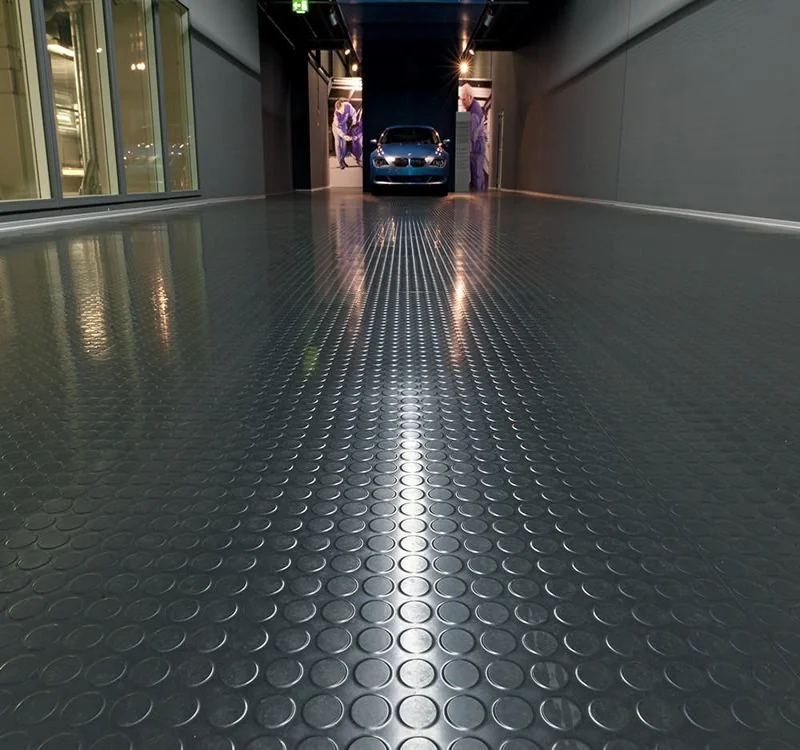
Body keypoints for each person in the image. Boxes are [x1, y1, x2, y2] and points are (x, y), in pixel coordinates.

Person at [460, 83, 486, 191]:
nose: (462, 102)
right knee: (477, 176)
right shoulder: (472, 108)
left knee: (477, 178)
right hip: (476, 148)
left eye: (464, 99)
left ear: (470, 97)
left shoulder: (474, 112)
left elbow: (472, 135)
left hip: (476, 149)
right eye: (461, 99)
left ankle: (478, 203)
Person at [332, 99, 355, 170]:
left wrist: (354, 123)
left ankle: (343, 159)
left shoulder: (347, 105)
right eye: (339, 111)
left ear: (343, 105)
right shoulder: (336, 114)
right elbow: (338, 127)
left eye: (342, 110)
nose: (341, 112)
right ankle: (340, 162)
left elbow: (354, 114)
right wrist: (344, 136)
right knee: (338, 144)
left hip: (344, 127)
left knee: (344, 145)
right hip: (336, 129)